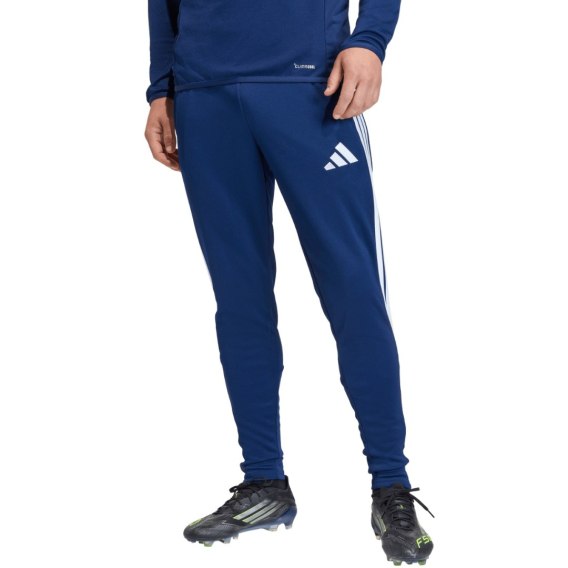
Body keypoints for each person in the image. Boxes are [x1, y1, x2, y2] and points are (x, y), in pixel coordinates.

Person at [144, 0, 435, 564]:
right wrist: (163, 86)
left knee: (353, 291)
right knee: (238, 299)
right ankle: (264, 483)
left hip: (311, 87)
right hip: (204, 93)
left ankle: (391, 487)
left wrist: (370, 39)